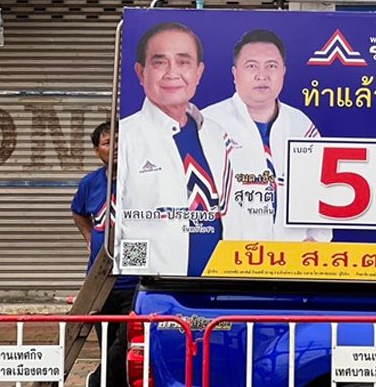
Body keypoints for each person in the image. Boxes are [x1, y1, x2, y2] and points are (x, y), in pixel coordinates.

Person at [117, 21, 246, 276]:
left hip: (219, 286)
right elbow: (117, 224)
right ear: (140, 72)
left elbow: (234, 212)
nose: (172, 73)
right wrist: (135, 278)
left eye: (183, 62)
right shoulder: (126, 137)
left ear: (199, 72)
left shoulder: (216, 134)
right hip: (159, 291)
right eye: (159, 62)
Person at [203, 29, 332, 242]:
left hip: (292, 260)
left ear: (283, 72)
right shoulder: (209, 123)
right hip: (229, 262)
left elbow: (321, 191)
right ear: (235, 73)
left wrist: (316, 241)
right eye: (251, 66)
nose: (262, 75)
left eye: (271, 66)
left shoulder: (301, 125)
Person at [71, 122, 137, 387]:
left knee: (126, 341)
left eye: (121, 141)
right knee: (108, 341)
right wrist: (89, 236)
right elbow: (78, 212)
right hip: (100, 282)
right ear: (97, 150)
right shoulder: (90, 183)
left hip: (134, 280)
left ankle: (98, 381)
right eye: (109, 142)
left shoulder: (144, 178)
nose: (116, 147)